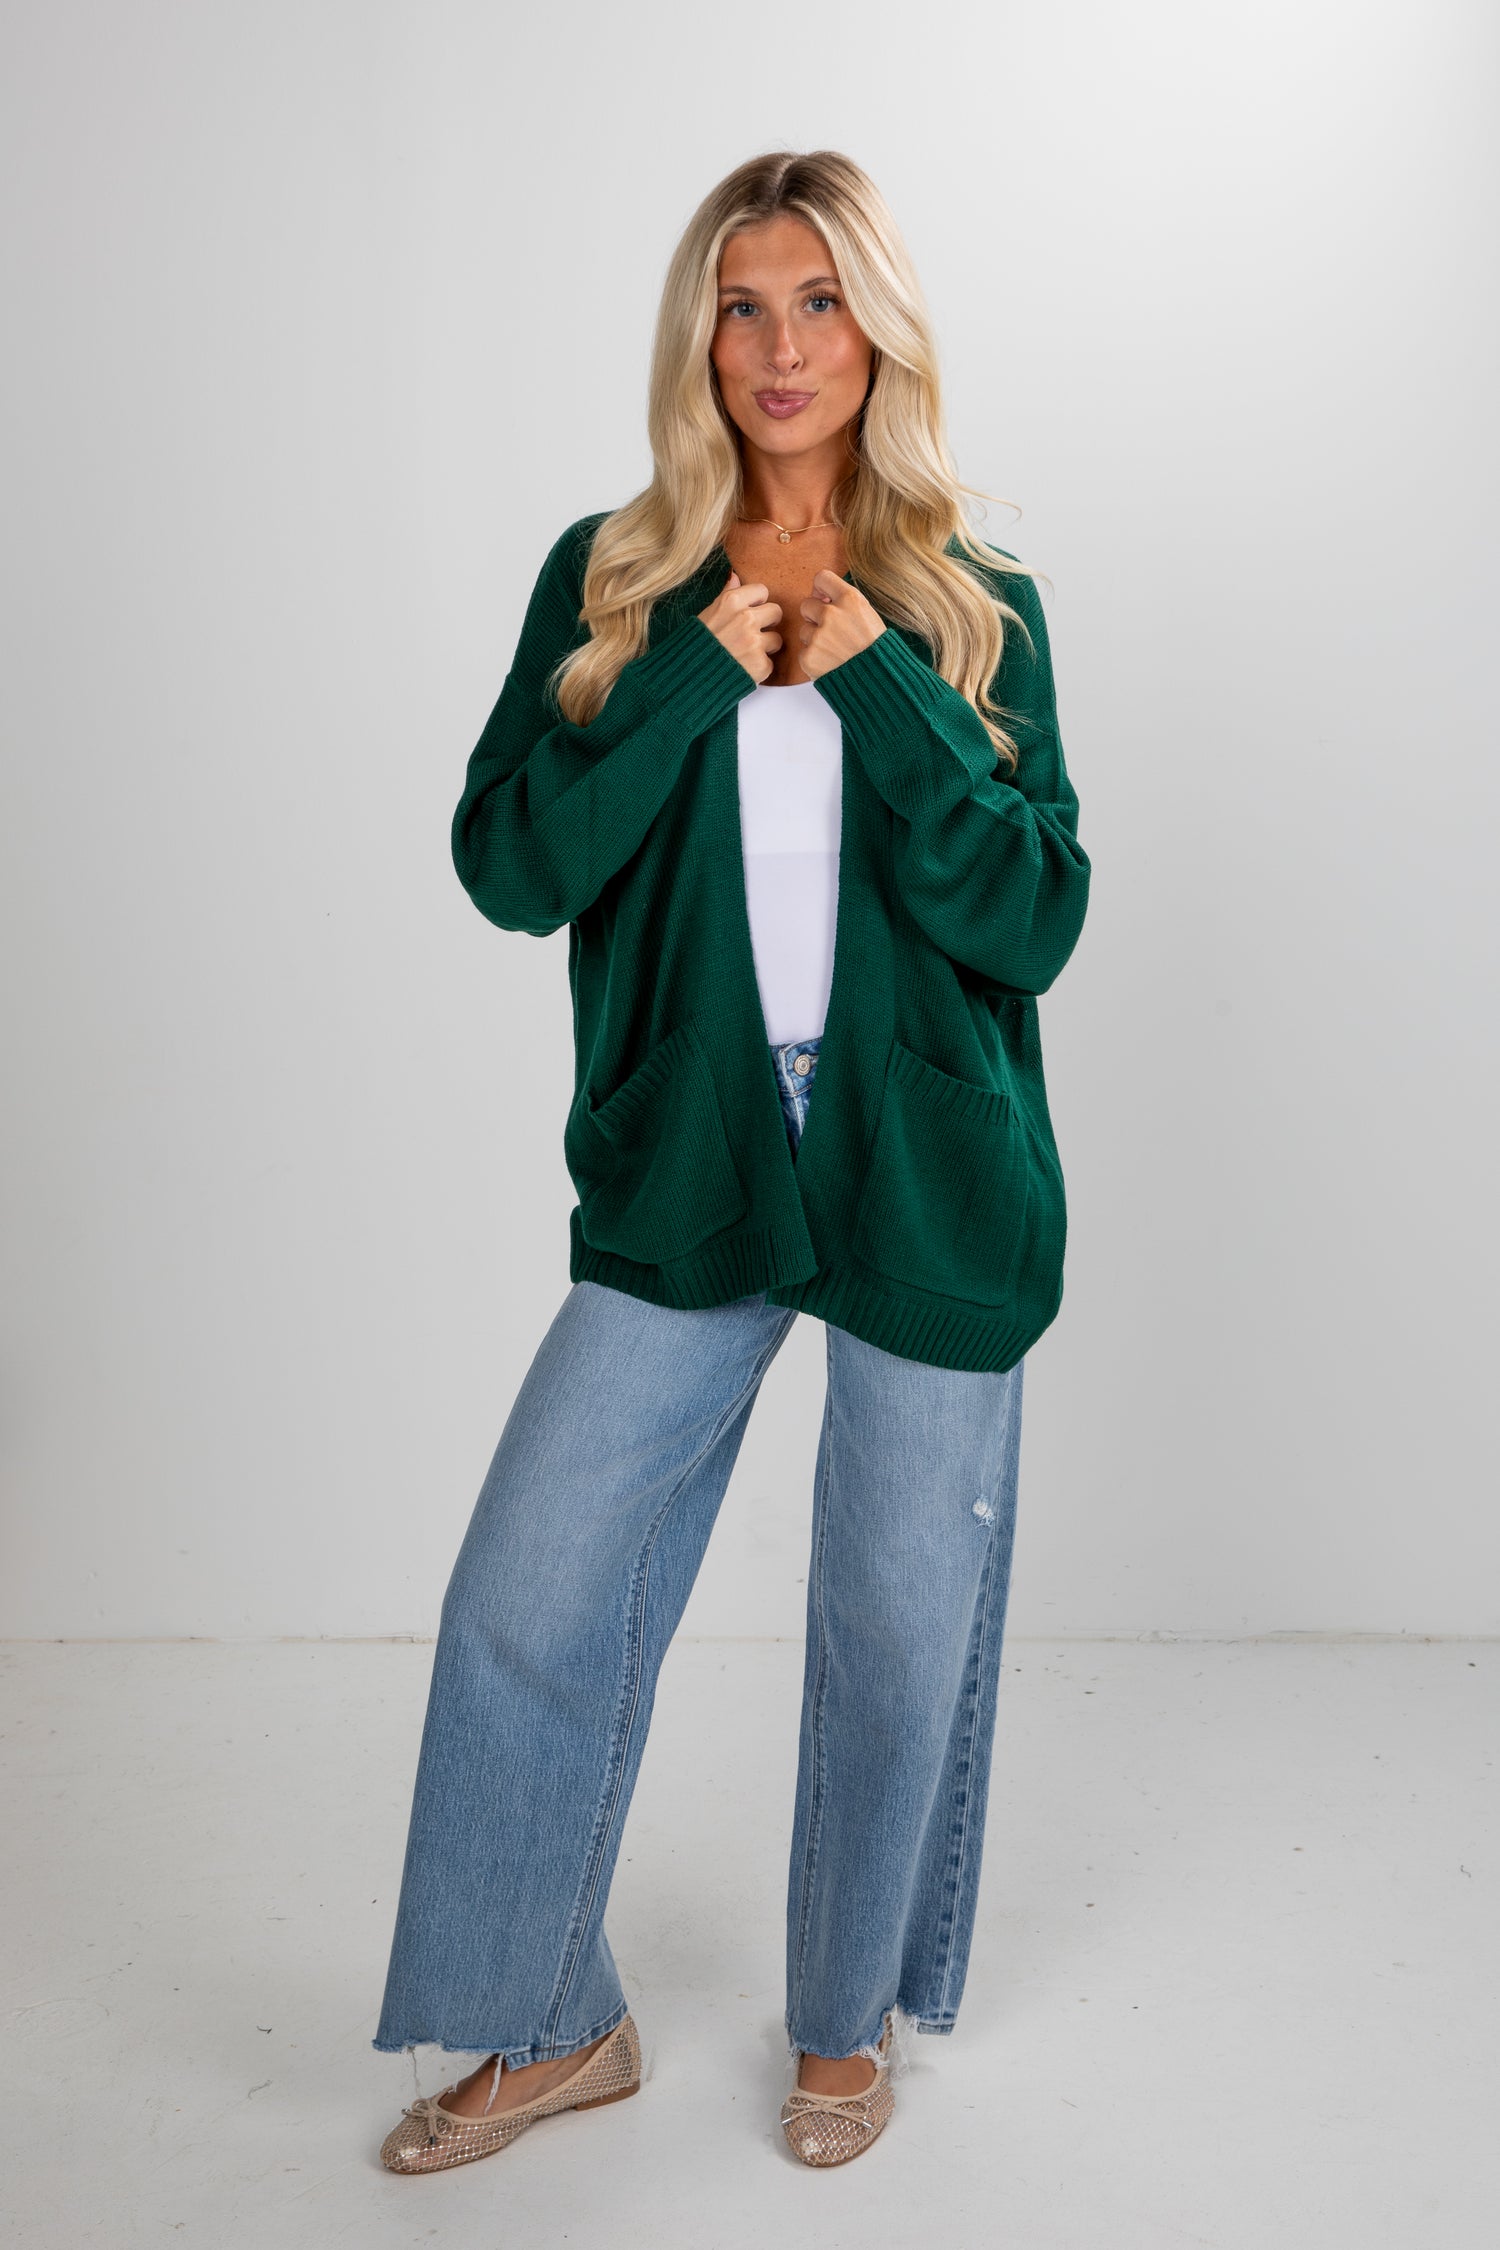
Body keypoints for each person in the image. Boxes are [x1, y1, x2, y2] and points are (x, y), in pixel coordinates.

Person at [372, 146, 1090, 2175]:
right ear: (704, 334)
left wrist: (875, 676)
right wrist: (702, 663)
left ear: (880, 331)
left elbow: (1036, 919)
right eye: (742, 302)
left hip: (927, 1181)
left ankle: (844, 2022)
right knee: (528, 1589)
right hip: (689, 1175)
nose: (780, 345)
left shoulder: (977, 602)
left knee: (888, 1622)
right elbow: (512, 864)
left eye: (819, 301)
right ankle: (547, 2016)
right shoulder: (613, 577)